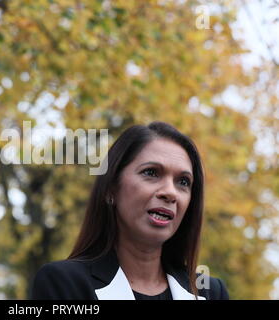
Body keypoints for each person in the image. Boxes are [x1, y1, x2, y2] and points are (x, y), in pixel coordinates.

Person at [31, 121, 229, 300]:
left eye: (183, 182)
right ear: (111, 189)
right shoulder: (64, 284)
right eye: (151, 172)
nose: (170, 192)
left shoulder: (210, 292)